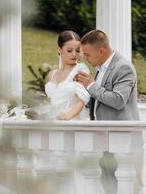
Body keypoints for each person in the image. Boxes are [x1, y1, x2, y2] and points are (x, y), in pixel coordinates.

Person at [75, 29, 140, 194]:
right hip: (103, 137)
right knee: (107, 181)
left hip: (119, 137)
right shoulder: (100, 69)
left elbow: (118, 100)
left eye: (87, 55)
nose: (85, 59)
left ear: (101, 51)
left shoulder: (123, 67)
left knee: (118, 184)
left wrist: (91, 85)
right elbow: (99, 102)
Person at [44, 30, 90, 121]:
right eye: (69, 50)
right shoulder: (53, 74)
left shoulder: (80, 70)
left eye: (77, 51)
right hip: (52, 122)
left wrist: (67, 116)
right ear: (59, 50)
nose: (74, 54)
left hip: (71, 122)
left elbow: (81, 101)